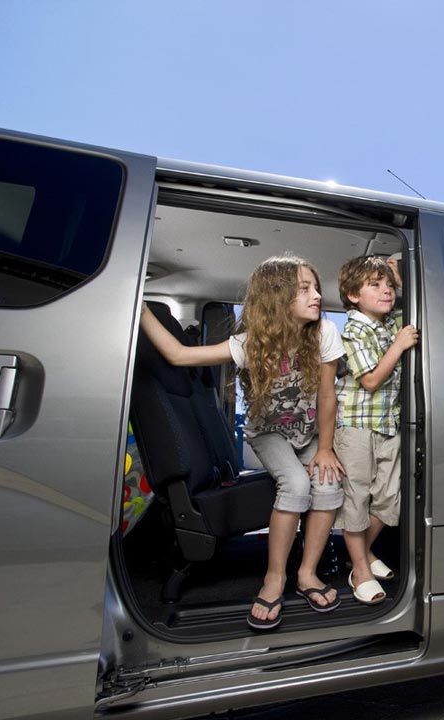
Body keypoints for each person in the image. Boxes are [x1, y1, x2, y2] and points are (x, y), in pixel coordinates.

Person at [139, 254, 346, 630]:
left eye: (316, 288)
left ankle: (307, 574)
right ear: (277, 297)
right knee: (296, 484)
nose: (317, 295)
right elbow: (178, 355)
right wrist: (139, 306)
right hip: (269, 433)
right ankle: (274, 578)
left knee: (329, 484)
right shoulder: (251, 343)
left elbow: (327, 395)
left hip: (309, 433)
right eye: (305, 289)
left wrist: (325, 449)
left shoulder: (324, 333)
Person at [334, 255, 418, 605]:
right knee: (357, 498)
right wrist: (398, 346)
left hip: (386, 424)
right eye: (375, 285)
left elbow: (411, 316)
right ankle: (360, 569)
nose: (386, 291)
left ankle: (363, 553)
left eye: (388, 286)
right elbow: (369, 380)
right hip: (356, 426)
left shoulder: (387, 323)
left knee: (388, 497)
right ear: (353, 295)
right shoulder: (354, 330)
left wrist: (399, 280)